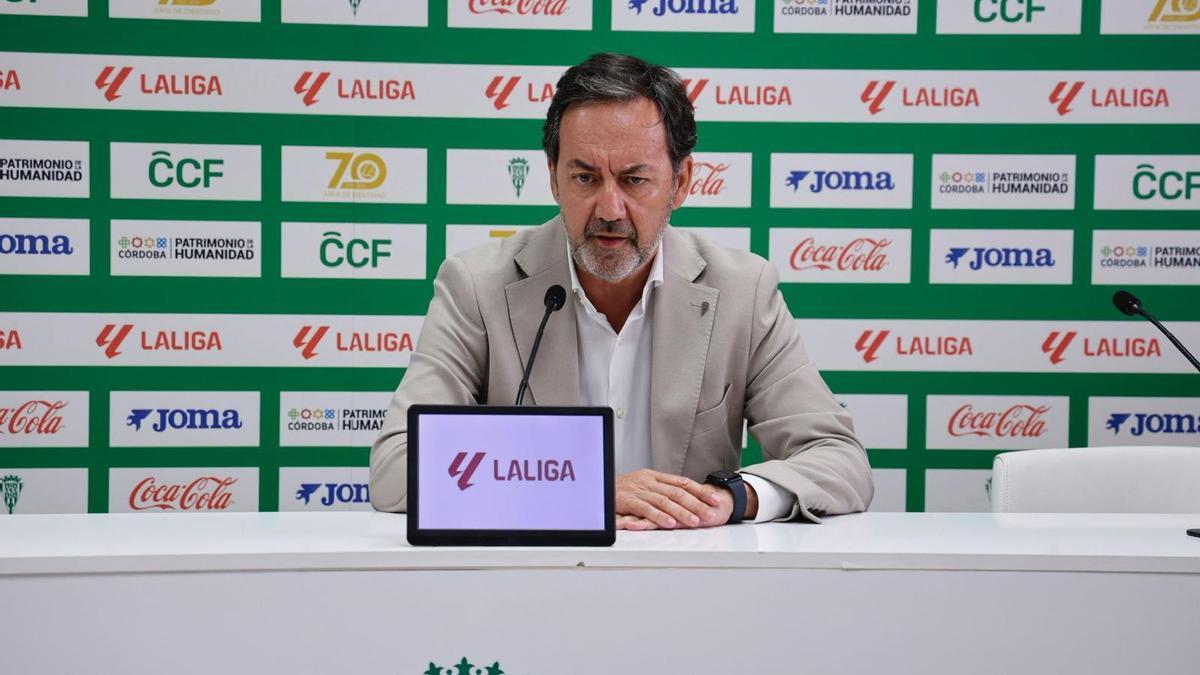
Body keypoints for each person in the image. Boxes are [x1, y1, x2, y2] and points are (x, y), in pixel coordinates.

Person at [370, 53, 872, 528]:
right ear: (553, 179)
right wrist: (589, 491)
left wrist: (733, 497)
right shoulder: (476, 286)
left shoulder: (742, 291)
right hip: (530, 581)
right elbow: (396, 469)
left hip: (691, 583)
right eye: (585, 178)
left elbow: (838, 459)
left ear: (680, 183)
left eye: (634, 180)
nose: (609, 209)